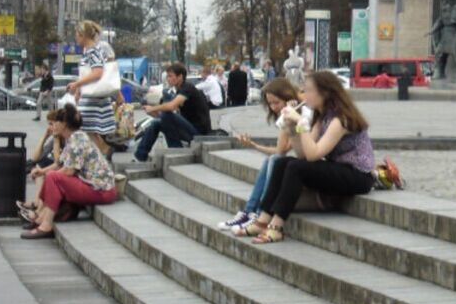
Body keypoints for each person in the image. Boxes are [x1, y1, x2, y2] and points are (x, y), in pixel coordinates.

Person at [234, 71, 376, 244]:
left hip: (358, 175)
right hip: (338, 168)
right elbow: (303, 154)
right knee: (283, 162)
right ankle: (263, 220)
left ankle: (276, 227)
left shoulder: (341, 119)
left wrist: (302, 122)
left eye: (308, 90)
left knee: (296, 167)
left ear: (324, 92)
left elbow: (313, 154)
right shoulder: (322, 116)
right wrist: (291, 127)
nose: (304, 94)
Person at [19, 104, 118, 239]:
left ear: (64, 124)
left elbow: (69, 171)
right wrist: (42, 172)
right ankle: (40, 218)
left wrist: (48, 175)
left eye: (56, 122)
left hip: (101, 189)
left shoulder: (78, 138)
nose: (53, 125)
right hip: (95, 186)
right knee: (51, 175)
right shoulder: (73, 138)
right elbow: (59, 163)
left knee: (53, 177)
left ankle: (45, 225)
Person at [220, 78, 303, 232]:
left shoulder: (300, 115)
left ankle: (259, 214)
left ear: (287, 97)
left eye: (276, 102)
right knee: (271, 160)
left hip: (302, 168)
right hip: (293, 164)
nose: (274, 107)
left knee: (275, 159)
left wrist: (288, 117)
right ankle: (249, 211)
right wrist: (254, 146)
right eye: (270, 103)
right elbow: (281, 150)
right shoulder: (289, 114)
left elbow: (280, 153)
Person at [133, 63, 214, 162]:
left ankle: (176, 150)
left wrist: (153, 108)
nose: (168, 79)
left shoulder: (187, 88)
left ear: (180, 77)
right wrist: (153, 113)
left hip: (199, 133)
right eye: (167, 76)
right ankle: (140, 157)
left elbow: (171, 107)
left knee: (167, 113)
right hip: (189, 129)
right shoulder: (179, 91)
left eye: (171, 76)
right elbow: (168, 119)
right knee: (156, 124)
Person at [65, 21, 118, 154]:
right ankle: (101, 153)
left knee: (82, 125)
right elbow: (89, 73)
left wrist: (77, 85)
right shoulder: (90, 51)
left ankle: (102, 152)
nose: (76, 38)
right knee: (87, 128)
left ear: (83, 35)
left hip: (93, 97)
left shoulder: (92, 51)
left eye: (77, 35)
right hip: (91, 96)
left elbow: (97, 72)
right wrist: (78, 90)